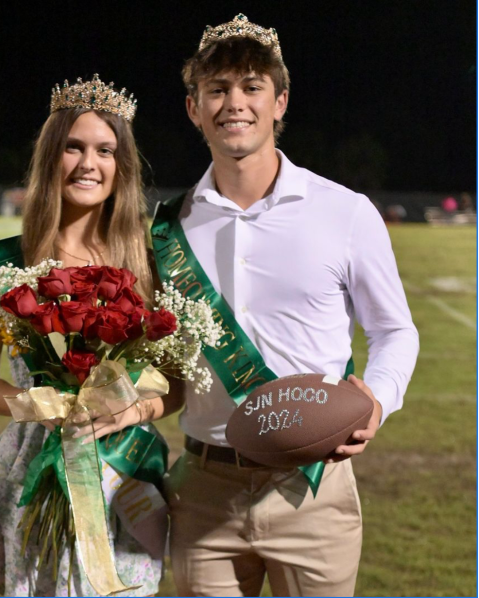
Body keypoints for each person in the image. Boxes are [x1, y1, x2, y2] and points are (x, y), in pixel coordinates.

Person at [153, 14, 419, 597]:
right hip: (203, 490)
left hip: (313, 490)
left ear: (280, 102)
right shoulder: (165, 229)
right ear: (194, 108)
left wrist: (377, 399)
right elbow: (166, 365)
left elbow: (395, 331)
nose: (234, 103)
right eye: (216, 89)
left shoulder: (344, 212)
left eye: (252, 87)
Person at [0, 74, 182, 597]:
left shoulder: (148, 263)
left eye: (105, 150)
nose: (89, 164)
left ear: (121, 165)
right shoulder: (4, 263)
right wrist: (40, 405)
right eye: (74, 147)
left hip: (121, 472)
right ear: (50, 157)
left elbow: (174, 386)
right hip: (32, 468)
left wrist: (132, 410)